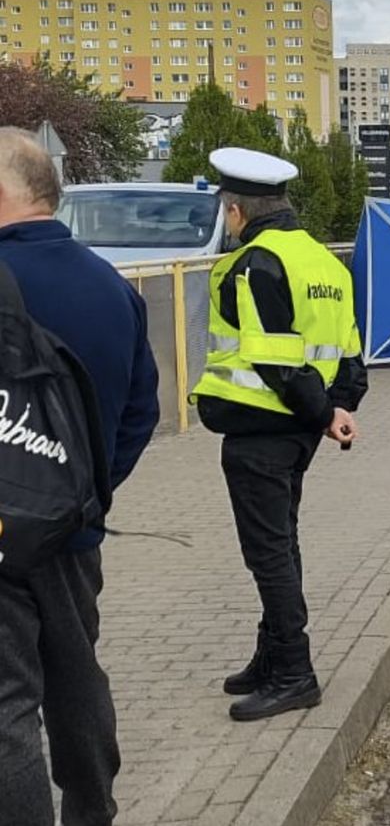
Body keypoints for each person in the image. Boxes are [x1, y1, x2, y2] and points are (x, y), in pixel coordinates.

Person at [0, 127, 160, 826]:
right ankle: (92, 810)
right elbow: (141, 408)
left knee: (7, 704)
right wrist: (86, 494)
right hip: (73, 535)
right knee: (76, 676)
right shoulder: (110, 285)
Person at [191, 147, 368, 722]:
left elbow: (275, 364)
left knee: (268, 553)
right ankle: (270, 657)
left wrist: (323, 414)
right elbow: (349, 354)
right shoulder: (324, 263)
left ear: (236, 211)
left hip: (261, 430)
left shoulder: (251, 265)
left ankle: (295, 672)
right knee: (281, 543)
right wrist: (339, 409)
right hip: (301, 433)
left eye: (225, 209)